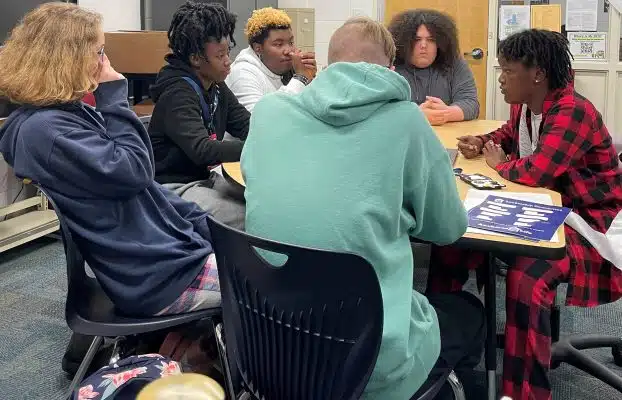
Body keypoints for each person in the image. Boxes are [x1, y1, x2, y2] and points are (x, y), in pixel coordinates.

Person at [242, 17, 484, 399]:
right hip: (365, 362)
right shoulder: (406, 120)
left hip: (272, 346)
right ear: (390, 69)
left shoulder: (269, 113)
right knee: (469, 313)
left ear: (328, 64)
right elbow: (448, 228)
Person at [433, 29, 622, 400]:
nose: (500, 78)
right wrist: (483, 142)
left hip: (592, 226)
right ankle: (443, 353)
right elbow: (508, 134)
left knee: (529, 272)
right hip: (552, 210)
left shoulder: (573, 111)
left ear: (537, 74)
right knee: (451, 242)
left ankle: (524, 393)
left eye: (508, 70)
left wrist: (500, 165)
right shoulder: (527, 105)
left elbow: (536, 172)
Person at [0, 3, 222, 317]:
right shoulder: (45, 131)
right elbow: (136, 171)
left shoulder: (66, 114)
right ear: (69, 59)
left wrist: (207, 227)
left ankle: (190, 339)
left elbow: (147, 189)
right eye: (99, 52)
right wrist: (115, 94)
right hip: (159, 277)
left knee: (257, 265)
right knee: (280, 293)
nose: (105, 62)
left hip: (166, 258)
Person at [148, 1, 248, 229]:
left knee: (261, 200)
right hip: (173, 188)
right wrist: (257, 147)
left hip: (204, 179)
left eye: (228, 52)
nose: (228, 61)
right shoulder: (177, 93)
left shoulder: (216, 86)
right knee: (246, 216)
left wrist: (272, 134)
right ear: (195, 59)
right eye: (220, 56)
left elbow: (245, 124)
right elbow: (202, 150)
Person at [388, 9, 479, 125]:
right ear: (404, 42)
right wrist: (415, 115)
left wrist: (447, 113)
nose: (423, 45)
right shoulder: (390, 66)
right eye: (417, 40)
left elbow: (471, 103)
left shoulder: (454, 63)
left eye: (431, 40)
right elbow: (380, 110)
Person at [225, 7, 317, 112]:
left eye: (291, 43)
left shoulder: (290, 69)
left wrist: (310, 81)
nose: (289, 51)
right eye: (278, 44)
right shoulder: (242, 74)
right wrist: (300, 79)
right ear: (258, 48)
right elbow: (258, 118)